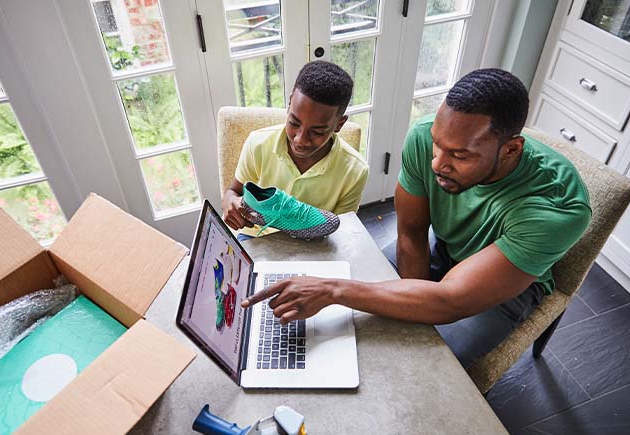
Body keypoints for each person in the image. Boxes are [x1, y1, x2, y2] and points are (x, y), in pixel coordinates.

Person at [240, 68, 592, 368]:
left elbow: (451, 300)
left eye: (460, 155)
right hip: (443, 248)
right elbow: (410, 232)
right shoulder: (424, 137)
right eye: (438, 145)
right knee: (353, 324)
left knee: (430, 365)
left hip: (506, 287)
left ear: (511, 149)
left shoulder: (557, 208)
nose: (438, 162)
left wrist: (334, 291)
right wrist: (410, 307)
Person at [221, 61, 369, 232]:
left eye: (317, 132)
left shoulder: (355, 171)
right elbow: (233, 191)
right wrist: (230, 202)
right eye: (294, 122)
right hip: (256, 239)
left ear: (339, 124)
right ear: (290, 102)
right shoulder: (258, 144)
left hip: (314, 247)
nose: (300, 140)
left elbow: (342, 233)